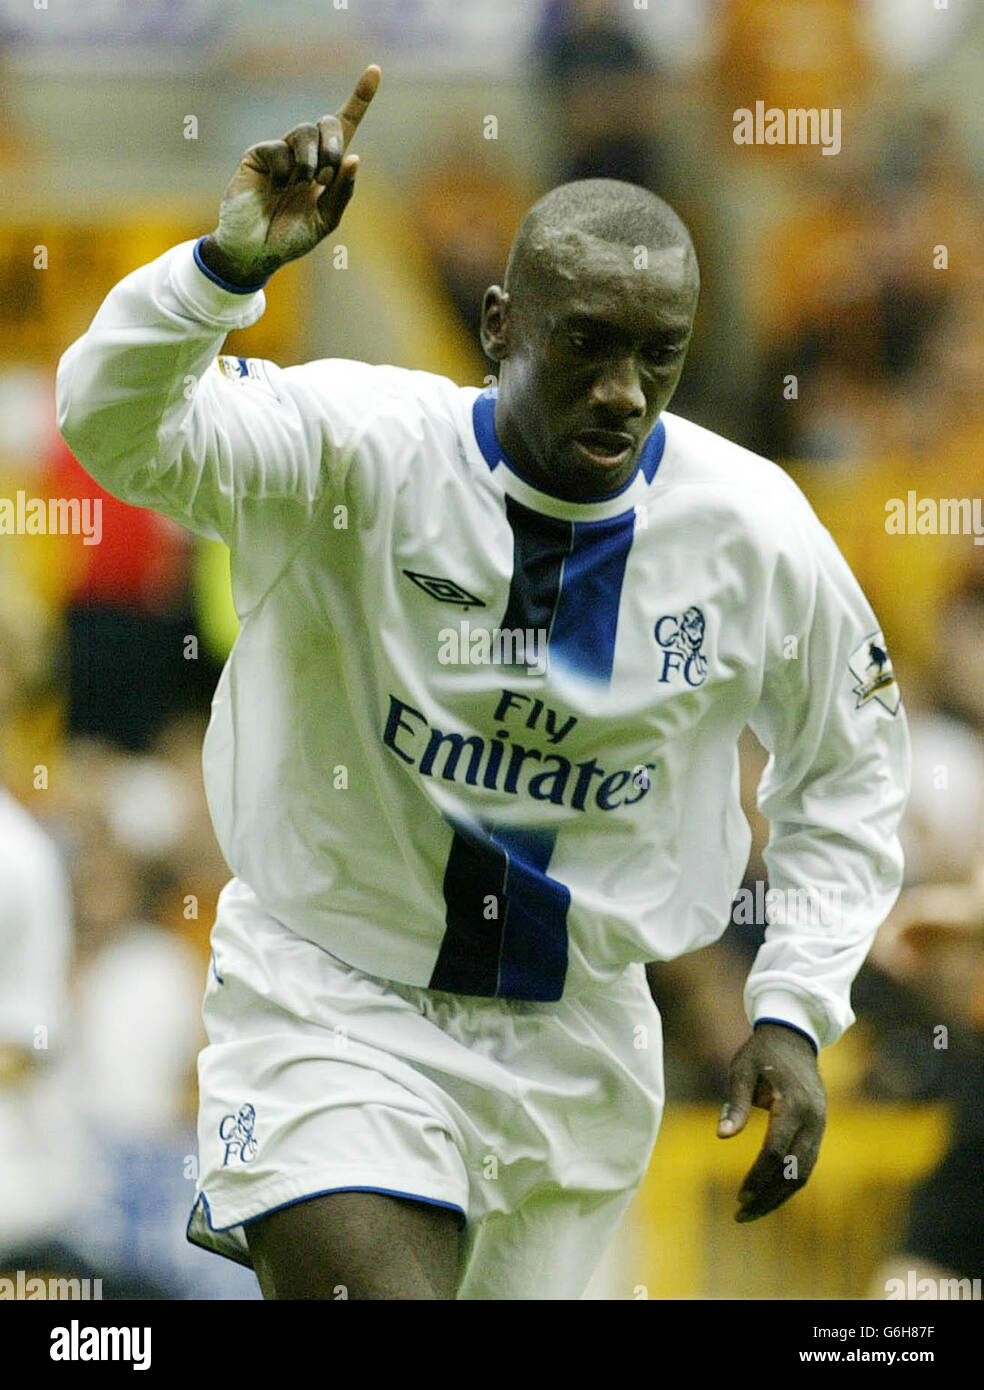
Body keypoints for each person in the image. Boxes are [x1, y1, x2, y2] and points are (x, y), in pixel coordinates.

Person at [56, 64, 910, 1300]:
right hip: (334, 996)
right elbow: (111, 426)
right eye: (587, 346)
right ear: (500, 321)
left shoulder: (755, 532)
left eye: (658, 355)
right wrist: (224, 270)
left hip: (576, 1046)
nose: (624, 391)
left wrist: (793, 1005)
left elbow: (850, 771)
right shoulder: (353, 446)